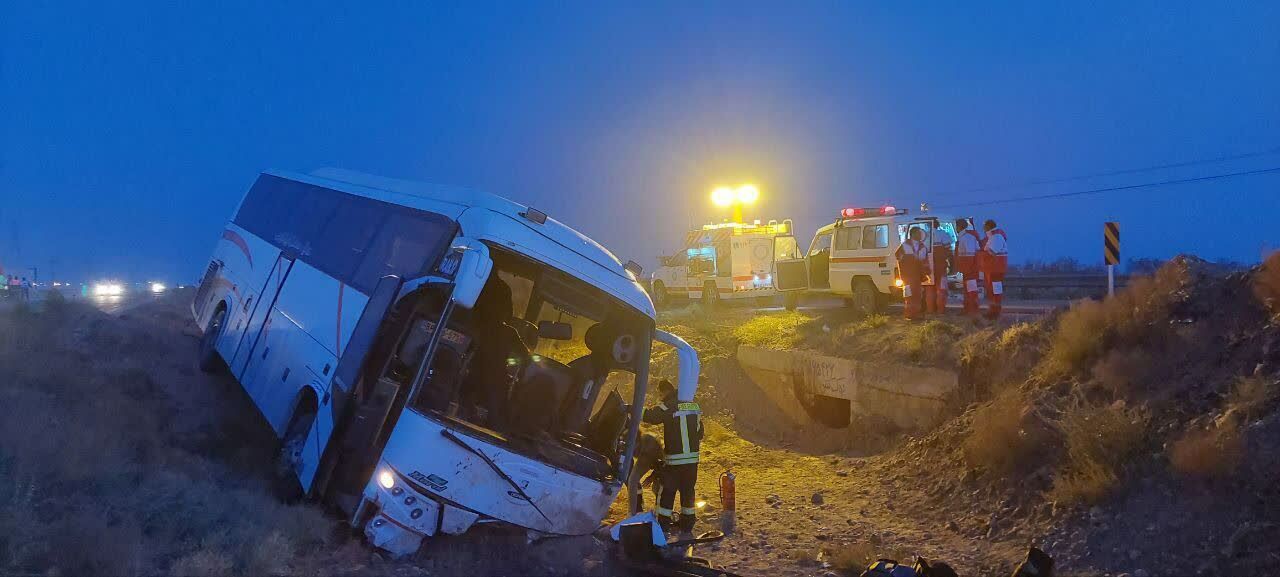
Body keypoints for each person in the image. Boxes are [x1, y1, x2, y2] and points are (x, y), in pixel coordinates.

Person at [643, 379, 702, 532]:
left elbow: (652, 417)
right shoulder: (694, 406)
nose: (660, 397)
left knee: (668, 492)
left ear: (665, 391)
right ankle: (687, 524)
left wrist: (632, 409)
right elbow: (700, 433)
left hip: (675, 462)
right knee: (688, 491)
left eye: (660, 394)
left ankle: (662, 525)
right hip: (692, 462)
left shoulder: (669, 405)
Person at [980, 219, 1008, 321]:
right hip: (992, 269)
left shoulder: (996, 237)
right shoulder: (993, 236)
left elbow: (991, 252)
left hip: (995, 269)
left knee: (995, 291)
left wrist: (980, 254)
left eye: (984, 226)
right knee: (992, 291)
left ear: (988, 226)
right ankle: (992, 311)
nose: (983, 228)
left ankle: (995, 312)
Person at [954, 219, 983, 318]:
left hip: (970, 270)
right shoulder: (965, 237)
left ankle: (973, 310)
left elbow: (970, 255)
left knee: (971, 291)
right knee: (967, 291)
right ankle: (967, 309)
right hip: (967, 269)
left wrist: (968, 269)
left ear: (959, 227)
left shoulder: (967, 238)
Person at [897, 227, 928, 320]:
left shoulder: (922, 246)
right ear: (913, 234)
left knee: (918, 296)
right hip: (907, 276)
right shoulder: (905, 245)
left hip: (918, 276)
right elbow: (898, 257)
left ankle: (917, 314)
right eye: (919, 233)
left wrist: (926, 274)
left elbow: (925, 261)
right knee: (909, 296)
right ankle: (909, 315)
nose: (920, 235)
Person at [925, 224, 955, 315]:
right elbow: (949, 251)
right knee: (941, 290)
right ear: (938, 225)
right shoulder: (943, 234)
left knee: (929, 290)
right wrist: (952, 266)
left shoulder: (924, 236)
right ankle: (941, 310)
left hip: (928, 268)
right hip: (941, 267)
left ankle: (930, 310)